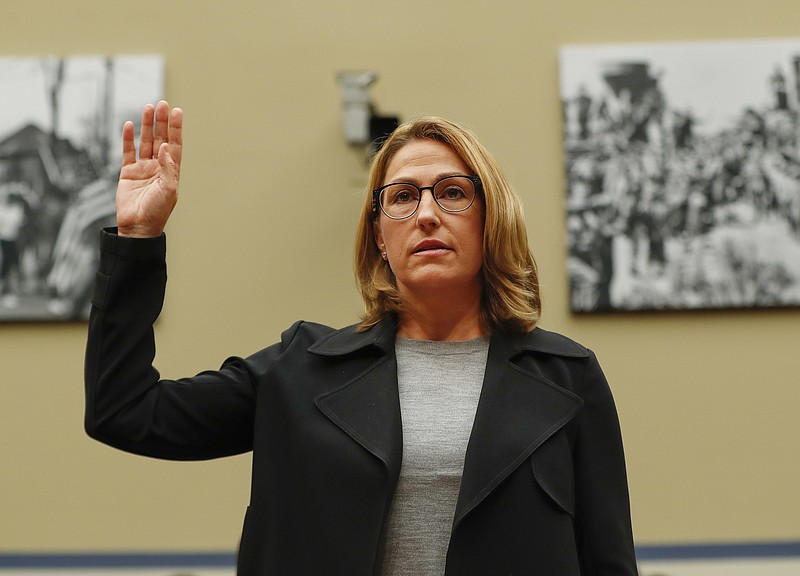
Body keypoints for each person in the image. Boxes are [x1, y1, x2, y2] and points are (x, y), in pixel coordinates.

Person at [85, 100, 639, 575]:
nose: (426, 214)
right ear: (378, 232)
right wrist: (137, 240)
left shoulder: (568, 377)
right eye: (401, 197)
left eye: (452, 193)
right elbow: (125, 410)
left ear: (488, 219)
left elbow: (607, 560)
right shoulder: (300, 371)